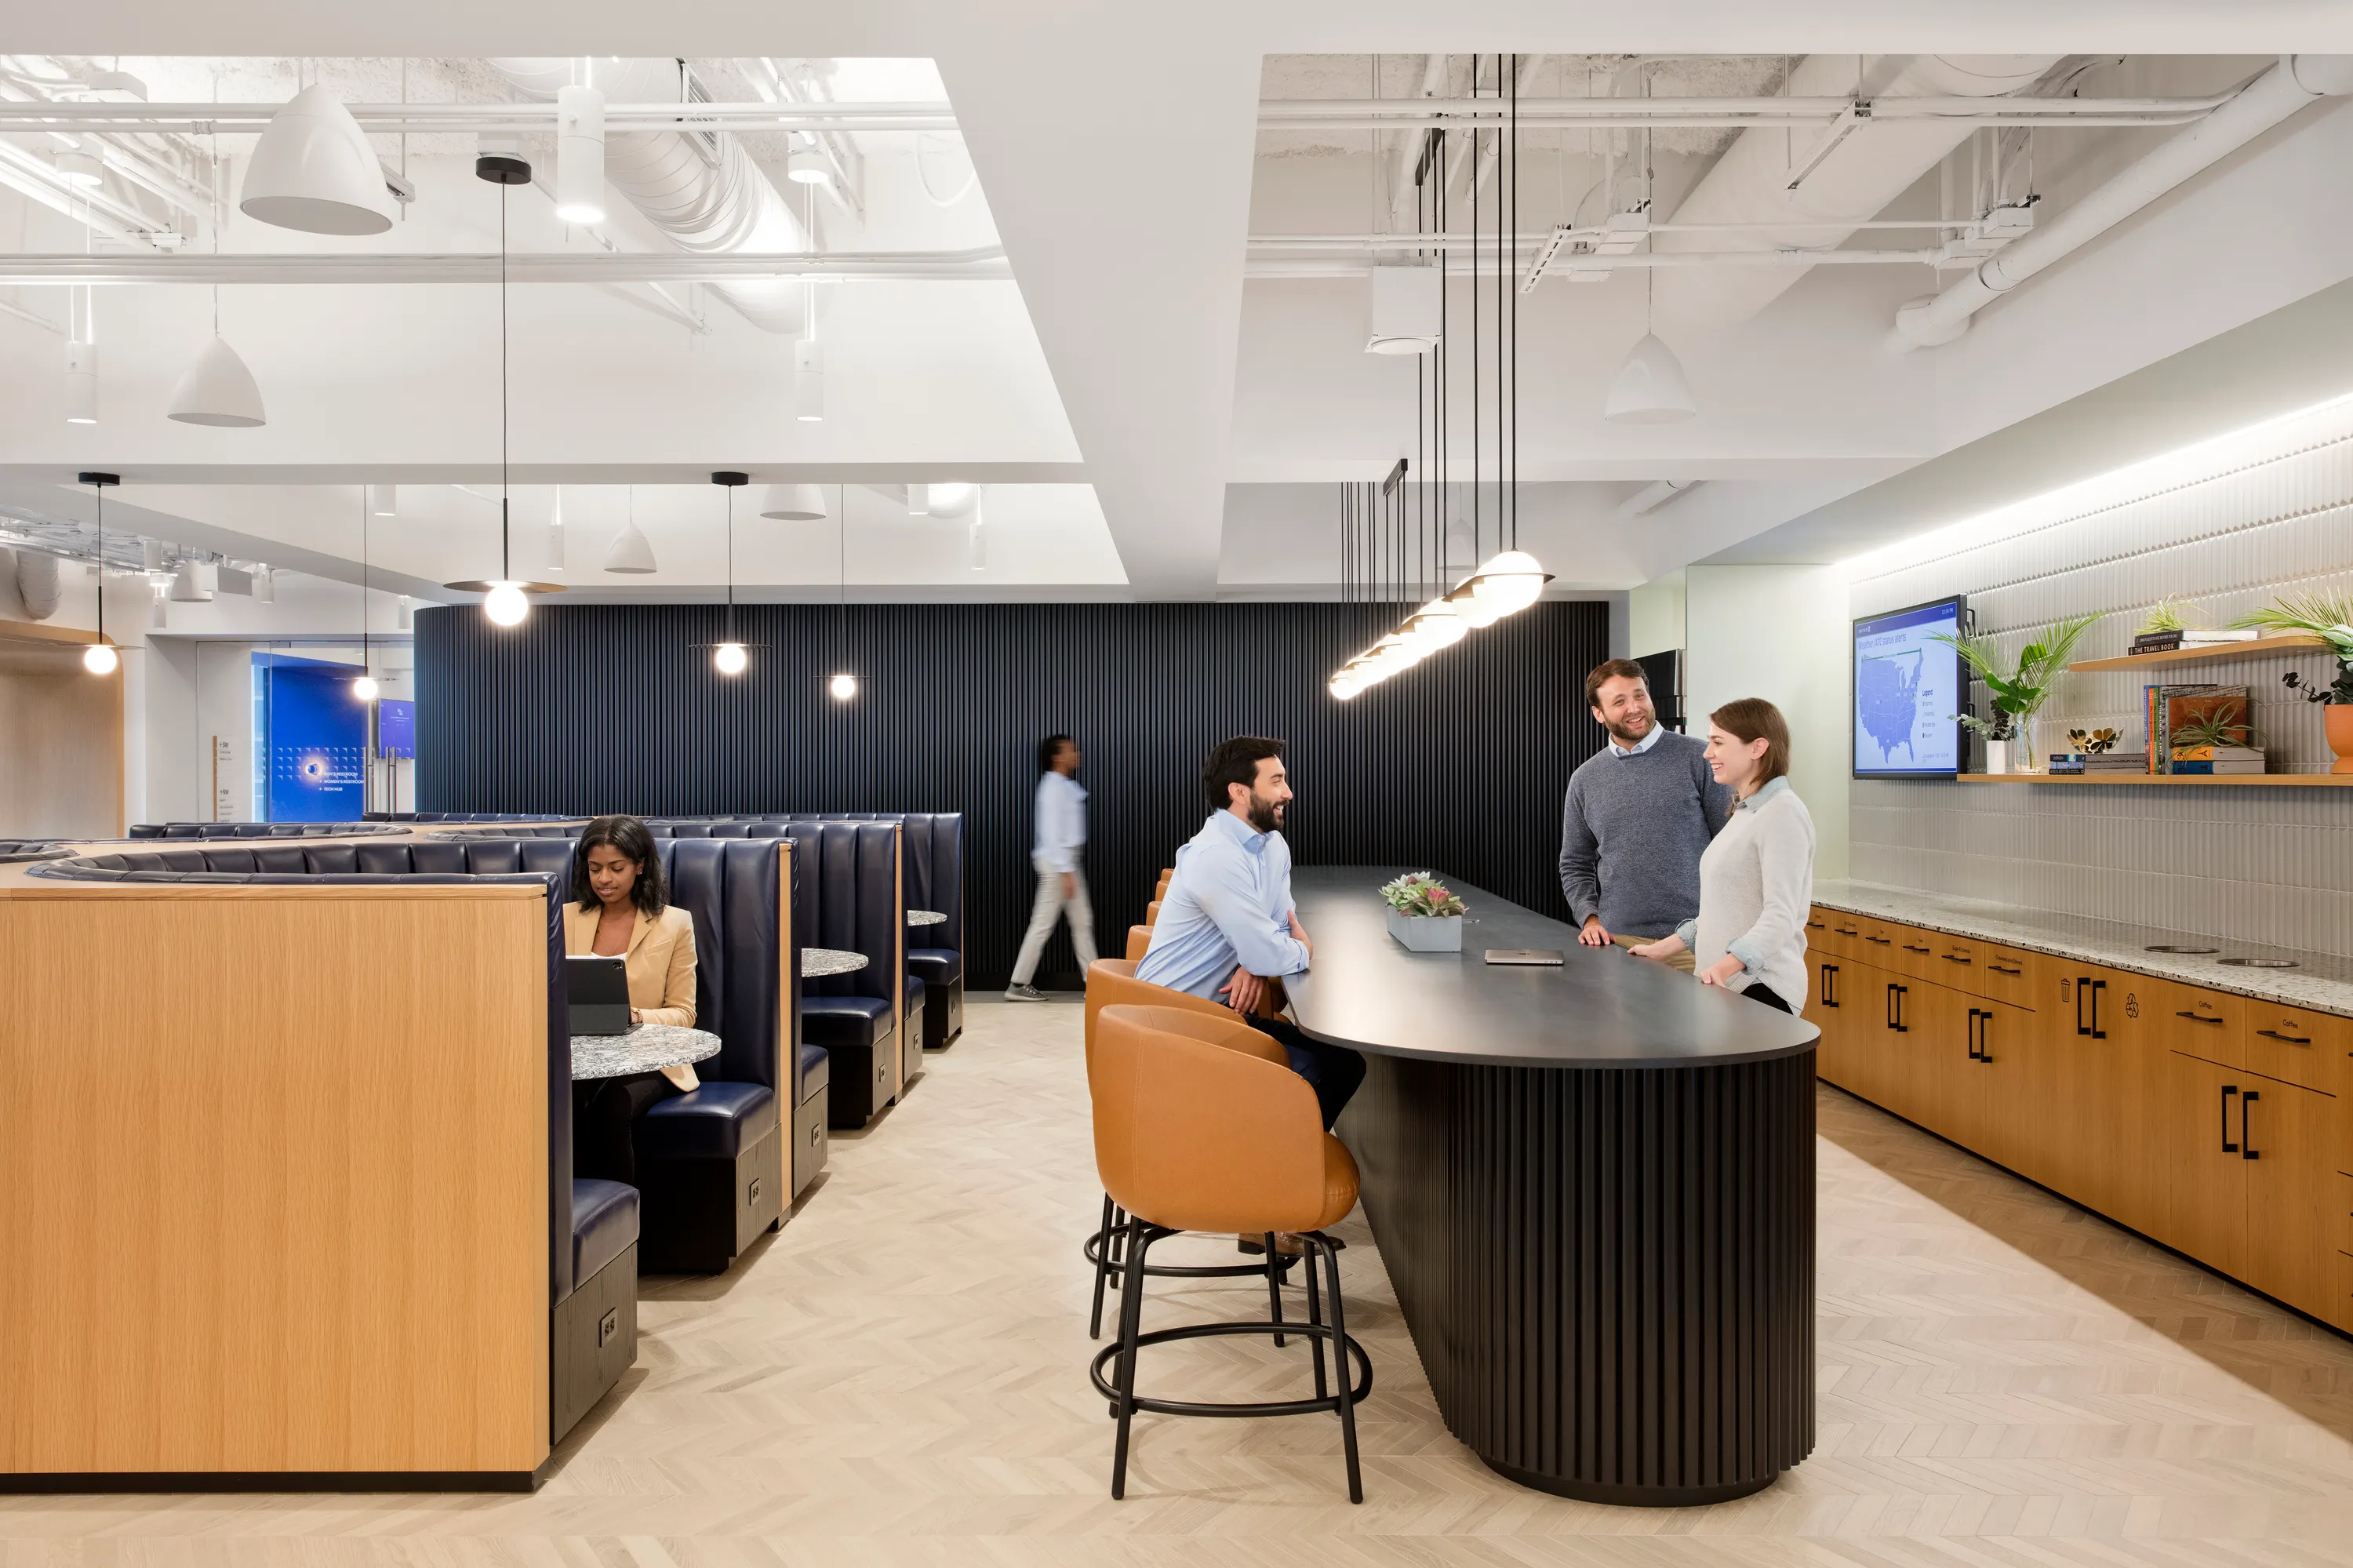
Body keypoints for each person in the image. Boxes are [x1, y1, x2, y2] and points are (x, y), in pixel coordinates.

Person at [1137, 735, 1364, 1133]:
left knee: (1341, 1060)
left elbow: (1279, 924)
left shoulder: (1272, 844)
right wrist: (1296, 950)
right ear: (1239, 792)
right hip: (1172, 1024)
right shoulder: (1216, 854)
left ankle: (1270, 1155)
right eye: (1276, 781)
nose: (1288, 792)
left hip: (1218, 1011)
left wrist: (1256, 961)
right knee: (1333, 1064)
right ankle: (1269, 1164)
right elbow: (1280, 943)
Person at [1630, 699, 1817, 1014]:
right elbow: (1727, 907)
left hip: (1759, 988)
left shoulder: (1782, 812)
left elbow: (1781, 916)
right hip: (1728, 985)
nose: (1707, 753)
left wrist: (1724, 967)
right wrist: (1663, 948)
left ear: (1757, 747)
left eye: (1718, 742)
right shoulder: (1746, 812)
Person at [1558, 658, 1732, 973]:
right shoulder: (1585, 779)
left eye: (1639, 696)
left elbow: (1733, 850)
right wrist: (1589, 917)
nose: (1634, 708)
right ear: (1598, 713)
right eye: (1619, 701)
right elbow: (1574, 863)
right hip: (1620, 944)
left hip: (1695, 943)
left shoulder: (1702, 759)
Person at [565, 814, 699, 1184]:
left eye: (616, 868)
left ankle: (619, 1227)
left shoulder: (674, 923)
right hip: (577, 1057)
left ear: (640, 866)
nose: (604, 879)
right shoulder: (565, 919)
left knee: (612, 1106)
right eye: (595, 869)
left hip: (650, 1061)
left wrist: (636, 1016)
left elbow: (684, 1014)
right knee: (562, 1101)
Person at [1007, 733, 1096, 1001]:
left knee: (1081, 922)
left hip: (1066, 863)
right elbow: (1052, 833)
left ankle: (1093, 983)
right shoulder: (1053, 787)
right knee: (1045, 924)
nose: (1076, 753)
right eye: (1071, 750)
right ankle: (1018, 984)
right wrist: (1066, 871)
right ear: (1057, 757)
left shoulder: (1061, 785)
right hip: (1060, 864)